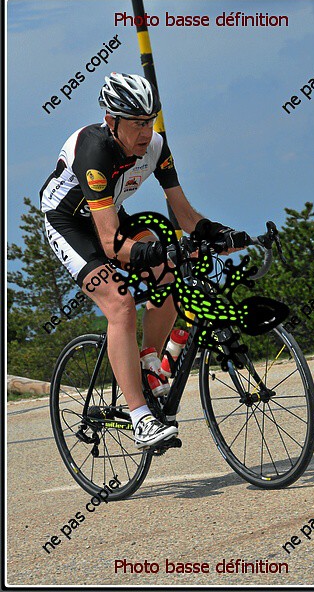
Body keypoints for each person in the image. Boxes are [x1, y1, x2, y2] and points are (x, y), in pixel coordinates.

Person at [40, 72, 251, 448]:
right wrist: (157, 250)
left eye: (150, 120)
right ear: (111, 121)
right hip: (68, 223)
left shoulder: (156, 146)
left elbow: (185, 215)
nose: (145, 131)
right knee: (120, 304)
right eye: (136, 123)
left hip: (107, 214)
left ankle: (148, 361)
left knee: (168, 273)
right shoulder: (94, 152)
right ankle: (140, 418)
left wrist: (222, 234)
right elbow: (110, 244)